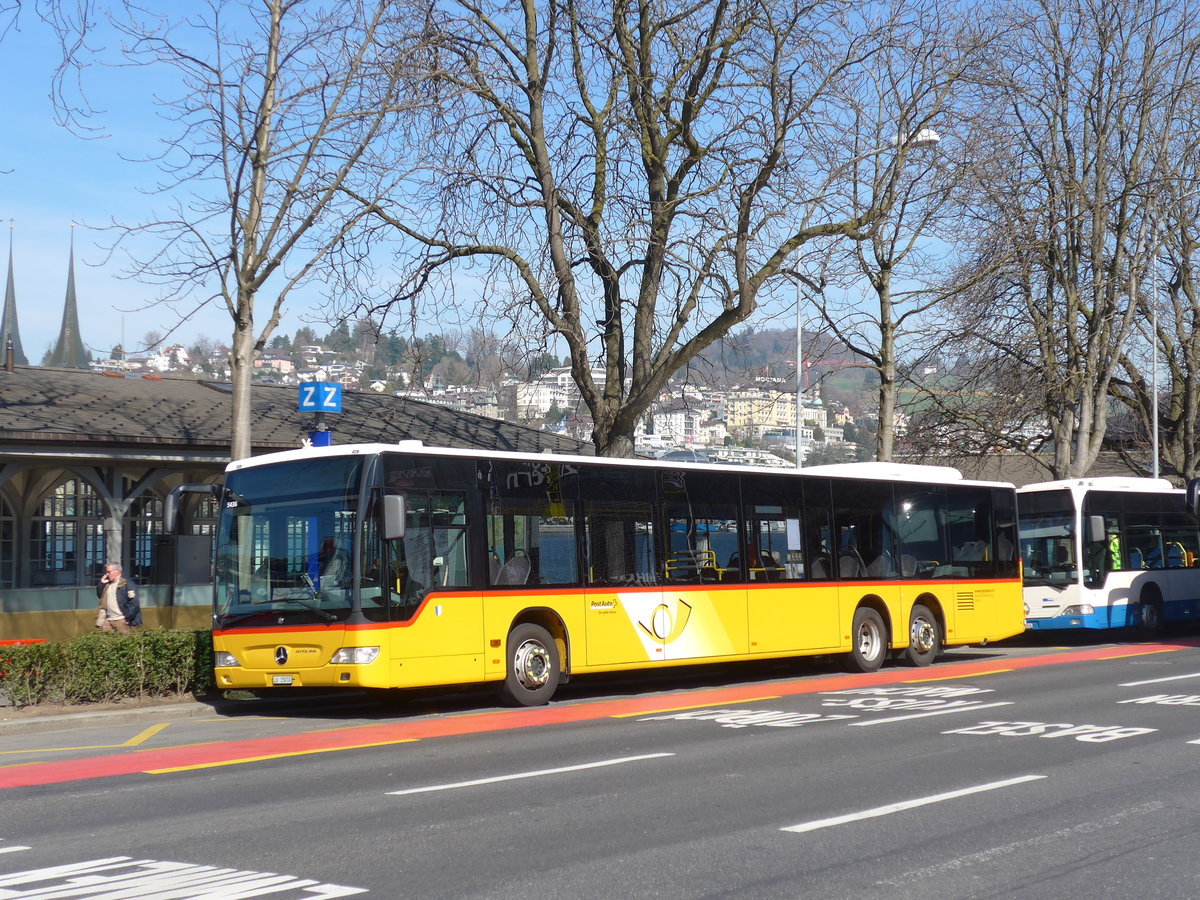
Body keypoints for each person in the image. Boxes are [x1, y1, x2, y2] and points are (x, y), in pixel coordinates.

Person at [94, 562, 141, 633]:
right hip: (108, 620)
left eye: (109, 572)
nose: (107, 574)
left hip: (121, 620)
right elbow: (100, 595)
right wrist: (101, 583)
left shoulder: (127, 583)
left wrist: (127, 618)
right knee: (106, 642)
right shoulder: (108, 583)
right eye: (106, 572)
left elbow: (134, 603)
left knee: (124, 642)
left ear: (117, 571)